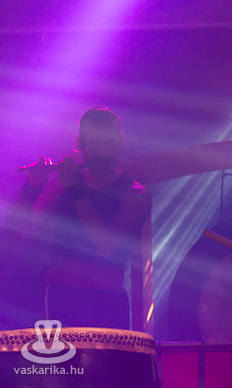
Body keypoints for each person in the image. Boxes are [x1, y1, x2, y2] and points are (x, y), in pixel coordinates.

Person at [2, 107, 151, 330]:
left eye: (109, 142)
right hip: (59, 297)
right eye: (95, 143)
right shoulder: (61, 183)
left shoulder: (135, 193)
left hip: (108, 301)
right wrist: (32, 188)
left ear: (121, 142)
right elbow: (22, 235)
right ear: (80, 144)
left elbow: (107, 247)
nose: (103, 151)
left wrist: (74, 189)